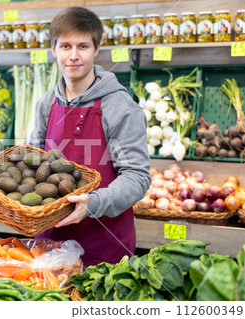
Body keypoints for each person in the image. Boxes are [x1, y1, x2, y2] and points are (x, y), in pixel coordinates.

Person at [28, 7, 151, 267]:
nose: (73, 56)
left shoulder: (120, 107)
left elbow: (137, 177)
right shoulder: (45, 104)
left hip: (104, 246)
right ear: (53, 49)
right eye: (65, 46)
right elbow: (34, 162)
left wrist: (93, 203)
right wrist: (5, 164)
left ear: (96, 49)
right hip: (50, 244)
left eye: (82, 46)